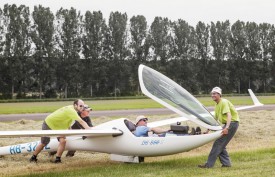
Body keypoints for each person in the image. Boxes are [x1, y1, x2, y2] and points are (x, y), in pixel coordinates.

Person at [29, 99, 91, 163]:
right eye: (80, 106)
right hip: (49, 123)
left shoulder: (74, 110)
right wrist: (89, 130)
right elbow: (81, 122)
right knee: (44, 143)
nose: (82, 108)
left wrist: (69, 130)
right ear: (75, 105)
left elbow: (68, 120)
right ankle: (33, 157)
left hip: (59, 127)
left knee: (63, 141)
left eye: (83, 106)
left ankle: (57, 159)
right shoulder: (71, 110)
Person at [198, 87, 240, 168]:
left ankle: (208, 165)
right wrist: (207, 130)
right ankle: (226, 164)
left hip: (232, 123)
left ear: (219, 95)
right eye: (212, 93)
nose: (212, 95)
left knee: (218, 143)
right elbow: (215, 120)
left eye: (214, 93)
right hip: (228, 124)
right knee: (221, 144)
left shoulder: (223, 102)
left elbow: (229, 115)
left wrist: (226, 128)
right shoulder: (217, 104)